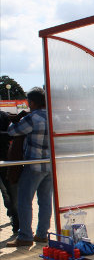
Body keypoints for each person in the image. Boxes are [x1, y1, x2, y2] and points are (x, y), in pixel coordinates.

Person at [7, 88, 51, 247]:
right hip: (50, 166)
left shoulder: (32, 118)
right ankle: (42, 234)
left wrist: (14, 119)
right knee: (45, 201)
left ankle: (25, 236)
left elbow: (13, 131)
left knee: (24, 201)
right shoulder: (53, 117)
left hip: (34, 165)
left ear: (31, 102)